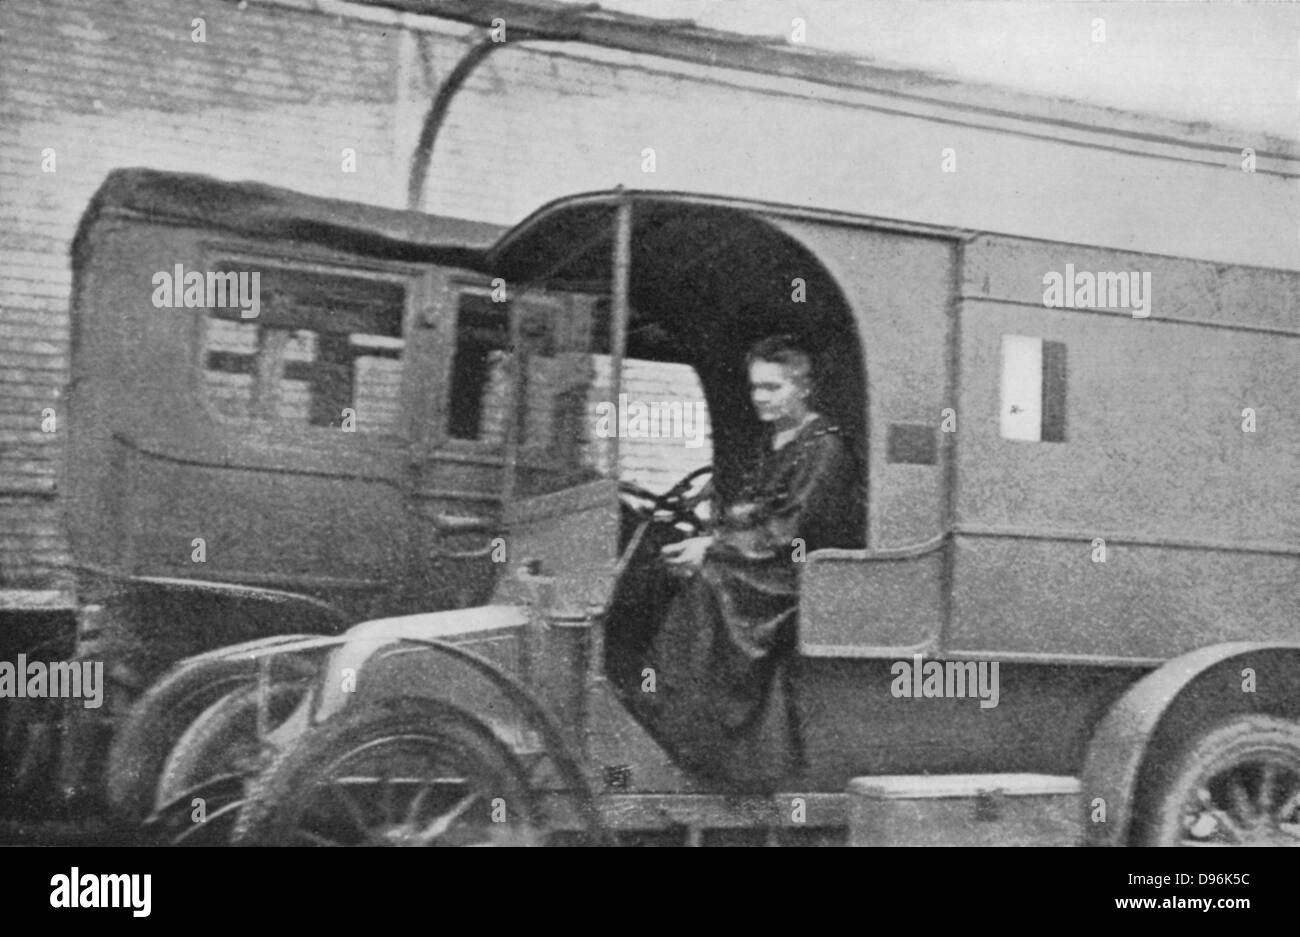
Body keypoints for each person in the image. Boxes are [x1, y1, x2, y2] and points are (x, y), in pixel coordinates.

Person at [639, 335, 862, 788]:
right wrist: (709, 539)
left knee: (709, 585)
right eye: (755, 387)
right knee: (663, 574)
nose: (760, 397)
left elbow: (790, 531)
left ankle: (709, 738)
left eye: (772, 388)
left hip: (797, 575)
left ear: (803, 388)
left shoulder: (825, 449)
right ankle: (666, 716)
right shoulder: (777, 441)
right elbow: (753, 513)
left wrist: (715, 549)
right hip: (762, 561)